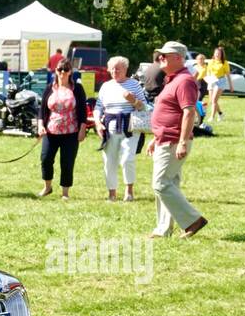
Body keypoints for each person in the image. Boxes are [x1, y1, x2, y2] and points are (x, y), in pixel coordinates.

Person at [146, 41, 207, 238]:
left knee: (161, 184)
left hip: (174, 140)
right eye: (160, 55)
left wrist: (182, 141)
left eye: (165, 55)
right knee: (168, 184)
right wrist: (156, 138)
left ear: (179, 58)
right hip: (165, 138)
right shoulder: (172, 79)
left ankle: (193, 220)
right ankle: (163, 228)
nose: (160, 58)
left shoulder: (184, 81)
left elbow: (189, 112)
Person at [96, 56, 148, 201]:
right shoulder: (106, 86)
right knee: (109, 161)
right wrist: (98, 123)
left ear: (125, 69)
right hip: (109, 127)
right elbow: (98, 107)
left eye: (118, 68)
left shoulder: (135, 85)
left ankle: (129, 191)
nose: (114, 71)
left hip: (130, 128)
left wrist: (133, 100)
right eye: (112, 68)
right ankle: (112, 194)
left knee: (127, 159)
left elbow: (144, 107)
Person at [38, 57, 88, 199]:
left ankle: (65, 193)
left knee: (67, 162)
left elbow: (83, 111)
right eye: (60, 69)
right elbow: (42, 109)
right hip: (51, 131)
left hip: (71, 132)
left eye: (66, 69)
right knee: (46, 158)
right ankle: (47, 187)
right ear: (55, 71)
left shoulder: (77, 88)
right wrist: (41, 125)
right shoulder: (50, 87)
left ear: (70, 72)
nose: (62, 72)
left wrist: (82, 129)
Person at [205, 46, 229, 122]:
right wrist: (208, 78)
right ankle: (221, 114)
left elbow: (228, 74)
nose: (217, 55)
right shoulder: (211, 62)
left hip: (220, 81)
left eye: (218, 53)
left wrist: (231, 85)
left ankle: (212, 117)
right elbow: (208, 71)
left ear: (221, 54)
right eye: (216, 53)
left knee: (214, 100)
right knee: (212, 101)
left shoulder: (224, 63)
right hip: (212, 80)